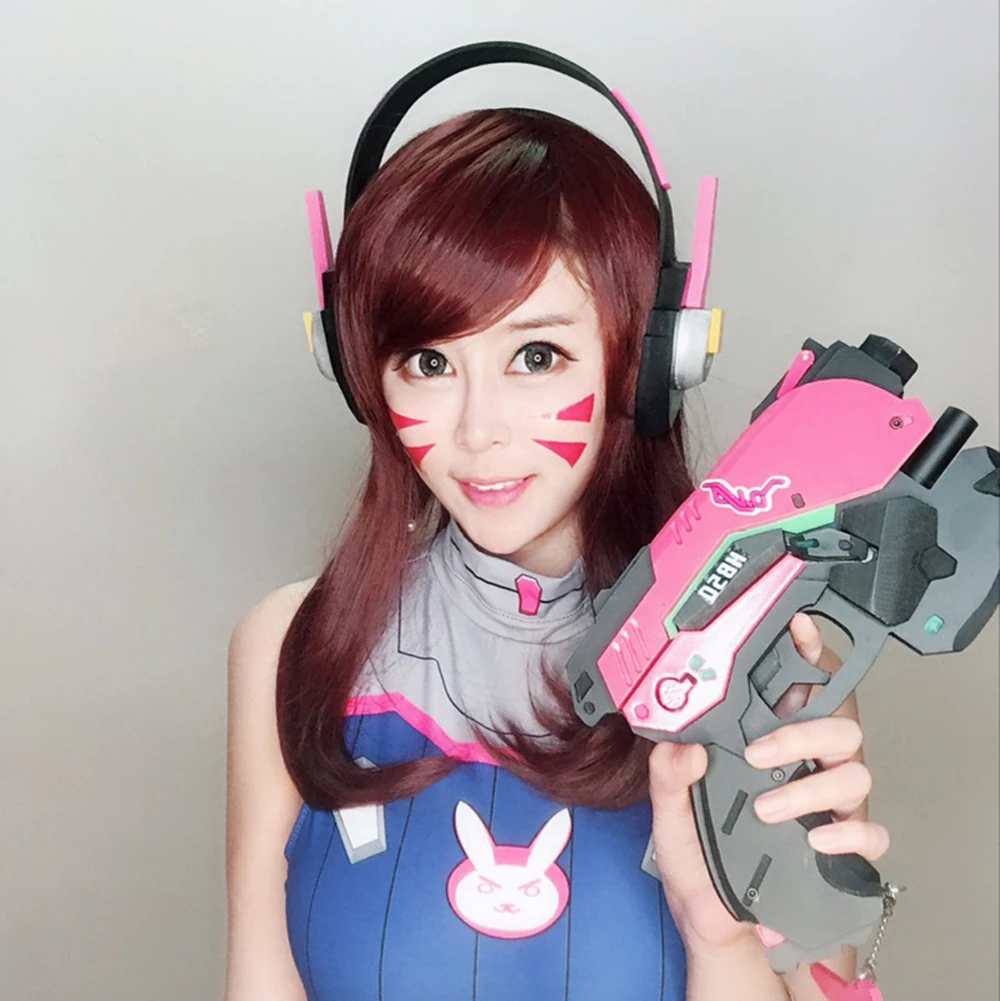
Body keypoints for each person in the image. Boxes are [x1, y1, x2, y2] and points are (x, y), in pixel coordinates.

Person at [225, 52, 889, 1001]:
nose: (477, 429)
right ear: (359, 370)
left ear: (647, 359)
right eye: (427, 361)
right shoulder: (293, 646)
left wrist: (722, 935)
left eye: (536, 355)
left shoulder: (765, 656)